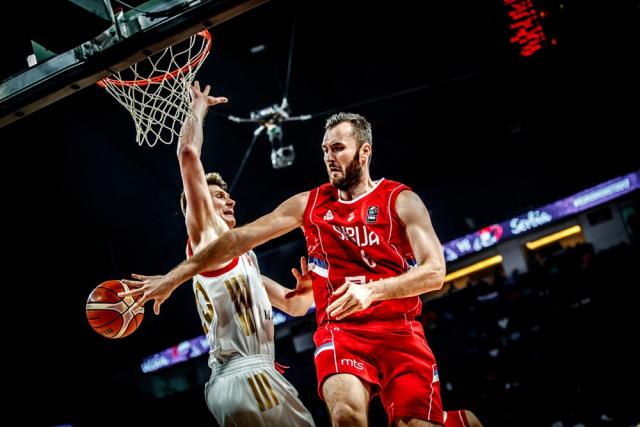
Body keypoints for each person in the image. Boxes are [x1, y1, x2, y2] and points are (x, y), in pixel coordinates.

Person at [122, 111, 481, 427]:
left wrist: (371, 290)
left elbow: (435, 272)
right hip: (341, 332)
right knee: (345, 415)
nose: (329, 158)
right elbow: (236, 239)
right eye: (325, 150)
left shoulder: (400, 199)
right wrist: (173, 278)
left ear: (364, 151)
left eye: (338, 148)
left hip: (399, 330)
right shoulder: (308, 203)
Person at [126, 81, 314, 426]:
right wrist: (198, 106)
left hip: (241, 379)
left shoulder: (241, 261)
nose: (230, 200)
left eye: (228, 196)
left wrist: (304, 291)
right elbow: (188, 153)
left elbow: (294, 307)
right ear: (196, 209)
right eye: (218, 196)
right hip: (248, 377)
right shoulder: (206, 234)